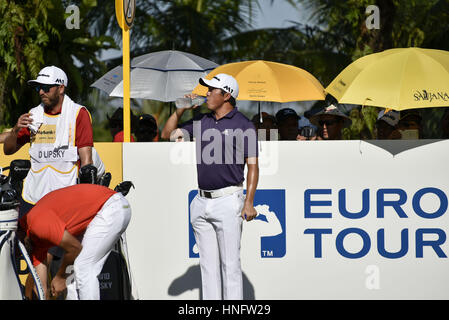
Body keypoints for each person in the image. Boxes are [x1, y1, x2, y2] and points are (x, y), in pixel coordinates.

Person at [161, 73, 259, 300]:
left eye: (211, 90)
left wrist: (249, 202)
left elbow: (253, 166)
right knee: (208, 267)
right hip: (201, 201)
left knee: (230, 266)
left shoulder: (243, 124)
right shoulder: (202, 121)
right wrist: (179, 110)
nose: (206, 94)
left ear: (226, 95)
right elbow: (167, 134)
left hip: (228, 200)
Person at [3, 66, 95, 214]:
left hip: (66, 194)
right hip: (34, 195)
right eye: (38, 87)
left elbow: (86, 162)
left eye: (46, 87)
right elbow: (8, 150)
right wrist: (15, 130)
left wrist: (84, 198)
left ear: (61, 88)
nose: (41, 92)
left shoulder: (78, 113)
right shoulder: (34, 115)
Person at [18, 183, 132, 300]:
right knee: (72, 277)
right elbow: (41, 288)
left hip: (111, 206)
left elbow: (75, 248)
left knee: (83, 268)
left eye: (18, 250)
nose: (21, 253)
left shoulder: (36, 223)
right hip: (104, 210)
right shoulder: (33, 242)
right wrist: (62, 278)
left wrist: (61, 277)